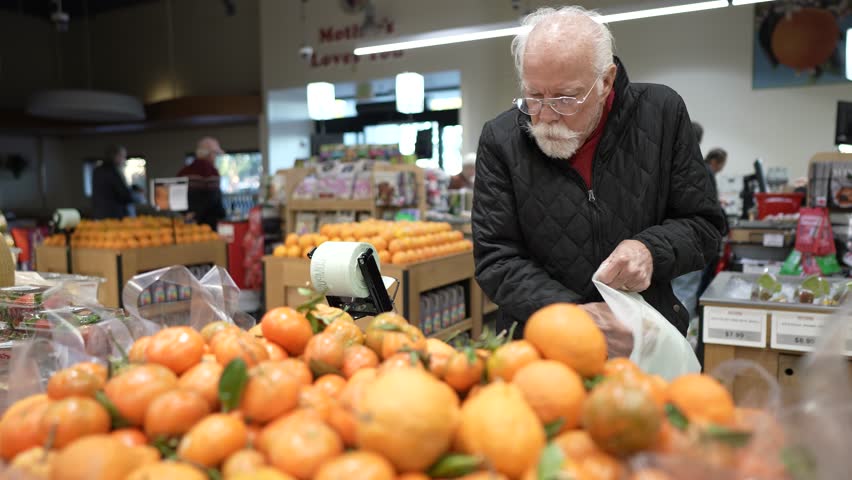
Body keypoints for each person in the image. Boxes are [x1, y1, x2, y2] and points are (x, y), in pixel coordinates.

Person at [472, 6, 726, 356]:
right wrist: (575, 319)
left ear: (606, 81)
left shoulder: (661, 114)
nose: (545, 115)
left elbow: (704, 226)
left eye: (565, 98)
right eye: (533, 96)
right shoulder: (500, 139)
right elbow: (496, 258)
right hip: (542, 349)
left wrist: (650, 250)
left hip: (644, 340)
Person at [178, 137, 226, 229]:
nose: (215, 157)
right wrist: (196, 214)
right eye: (215, 154)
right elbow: (213, 198)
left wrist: (187, 214)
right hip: (209, 224)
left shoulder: (183, 172)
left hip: (188, 223)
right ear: (209, 154)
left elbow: (176, 198)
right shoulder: (211, 172)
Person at [92, 145, 133, 219]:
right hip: (114, 215)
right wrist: (134, 196)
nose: (124, 160)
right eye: (123, 157)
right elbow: (124, 195)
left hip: (100, 214)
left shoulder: (97, 171)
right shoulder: (113, 172)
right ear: (116, 156)